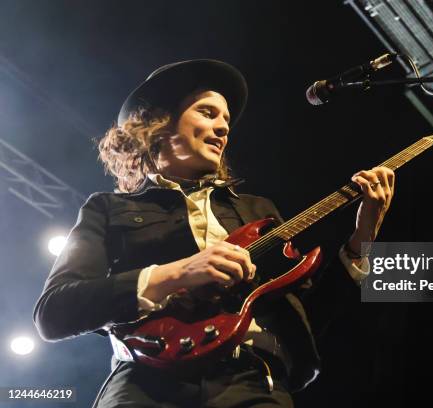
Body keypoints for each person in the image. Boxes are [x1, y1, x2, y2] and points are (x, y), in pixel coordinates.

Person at [33, 59, 395, 407]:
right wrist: (176, 274)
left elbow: (307, 318)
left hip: (253, 383)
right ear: (159, 124)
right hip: (144, 383)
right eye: (207, 113)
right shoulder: (107, 209)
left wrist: (364, 236)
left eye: (226, 119)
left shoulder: (258, 211)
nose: (224, 127)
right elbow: (54, 313)